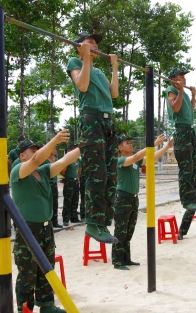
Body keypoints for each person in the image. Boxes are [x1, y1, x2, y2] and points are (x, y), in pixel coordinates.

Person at [11, 130, 78, 313]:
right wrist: (55, 139)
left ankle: (47, 305)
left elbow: (65, 161)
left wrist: (86, 146)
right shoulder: (18, 170)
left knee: (47, 268)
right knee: (27, 271)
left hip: (45, 228)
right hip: (28, 230)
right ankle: (25, 308)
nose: (36, 152)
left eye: (36, 149)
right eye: (32, 150)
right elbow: (34, 161)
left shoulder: (43, 171)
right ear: (22, 155)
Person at [66, 30, 119, 243]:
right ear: (79, 46)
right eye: (90, 42)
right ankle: (92, 223)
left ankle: (103, 221)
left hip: (107, 121)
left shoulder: (99, 72)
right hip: (91, 119)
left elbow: (114, 94)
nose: (95, 45)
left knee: (110, 174)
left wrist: (114, 67)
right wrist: (85, 56)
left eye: (96, 43)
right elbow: (82, 85)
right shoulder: (75, 62)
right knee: (96, 174)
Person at [112, 134, 172, 270]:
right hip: (123, 198)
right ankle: (117, 261)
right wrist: (153, 143)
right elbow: (136, 157)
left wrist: (166, 147)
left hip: (133, 198)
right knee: (121, 231)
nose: (130, 144)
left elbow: (151, 157)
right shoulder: (120, 160)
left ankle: (126, 259)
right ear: (120, 147)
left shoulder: (134, 162)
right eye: (127, 143)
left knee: (128, 231)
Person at [165, 68, 196, 211]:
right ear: (173, 78)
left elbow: (190, 109)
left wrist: (193, 95)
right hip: (181, 131)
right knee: (186, 168)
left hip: (190, 130)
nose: (184, 78)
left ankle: (194, 198)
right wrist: (181, 90)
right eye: (181, 76)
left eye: (184, 76)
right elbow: (175, 108)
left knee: (195, 167)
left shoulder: (183, 93)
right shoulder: (171, 89)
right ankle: (187, 200)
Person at [60, 145, 81, 226]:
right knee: (68, 200)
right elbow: (62, 172)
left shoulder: (78, 160)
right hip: (69, 181)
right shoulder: (68, 160)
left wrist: (77, 179)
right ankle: (65, 219)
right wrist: (68, 177)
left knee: (75, 200)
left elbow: (79, 171)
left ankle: (74, 217)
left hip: (76, 181)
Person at [48, 147, 62, 229]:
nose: (56, 150)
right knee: (48, 203)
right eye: (54, 148)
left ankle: (55, 221)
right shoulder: (44, 160)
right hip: (48, 184)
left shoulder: (56, 160)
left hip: (54, 184)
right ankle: (48, 221)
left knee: (55, 203)